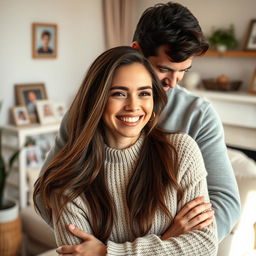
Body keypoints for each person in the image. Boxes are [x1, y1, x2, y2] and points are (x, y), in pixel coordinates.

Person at [35, 0, 240, 248]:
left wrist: (150, 245)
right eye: (164, 69)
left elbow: (225, 203)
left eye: (183, 70)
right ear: (137, 51)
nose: (174, 82)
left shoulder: (198, 117)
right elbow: (47, 192)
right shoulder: (84, 115)